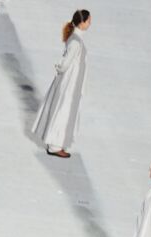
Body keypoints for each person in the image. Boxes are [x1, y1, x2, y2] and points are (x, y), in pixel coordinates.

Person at [31, 10, 91, 158]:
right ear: (82, 23)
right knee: (62, 111)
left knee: (62, 109)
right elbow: (65, 63)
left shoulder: (76, 39)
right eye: (89, 20)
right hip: (69, 84)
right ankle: (55, 145)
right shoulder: (76, 42)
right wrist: (60, 69)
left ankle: (55, 143)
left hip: (70, 82)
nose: (90, 23)